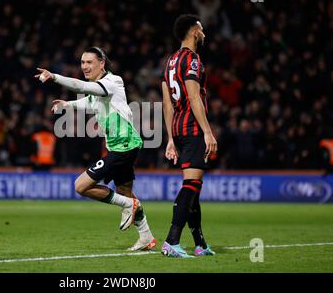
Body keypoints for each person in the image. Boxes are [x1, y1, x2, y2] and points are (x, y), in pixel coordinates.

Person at [35, 47, 156, 251]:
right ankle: (146, 237)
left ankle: (128, 206)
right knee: (125, 191)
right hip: (122, 146)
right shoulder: (98, 88)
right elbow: (91, 102)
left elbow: (84, 87)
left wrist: (54, 76)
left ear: (102, 63)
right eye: (82, 62)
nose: (84, 66)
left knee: (81, 186)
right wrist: (68, 104)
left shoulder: (112, 82)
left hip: (124, 146)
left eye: (89, 62)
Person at [161, 14, 217, 258]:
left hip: (178, 128)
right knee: (192, 185)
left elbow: (166, 104)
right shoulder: (192, 59)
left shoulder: (170, 61)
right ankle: (171, 241)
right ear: (194, 31)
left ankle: (200, 244)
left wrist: (170, 138)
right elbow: (194, 97)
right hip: (193, 128)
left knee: (193, 187)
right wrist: (207, 132)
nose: (204, 34)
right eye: (202, 29)